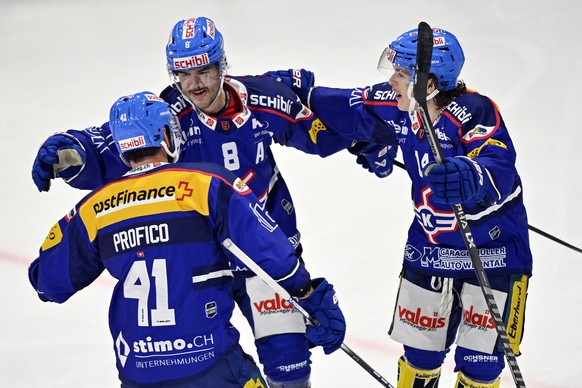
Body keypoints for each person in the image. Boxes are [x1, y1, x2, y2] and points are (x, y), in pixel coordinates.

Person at [30, 17, 395, 388]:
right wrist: (72, 150)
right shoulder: (167, 112)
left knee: (290, 364)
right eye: (183, 75)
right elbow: (122, 140)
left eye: (204, 70)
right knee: (195, 356)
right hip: (200, 260)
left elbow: (323, 119)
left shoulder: (264, 99)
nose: (195, 84)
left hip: (262, 252)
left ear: (222, 64)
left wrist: (365, 133)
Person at [28, 91, 346, 388]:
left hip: (138, 374)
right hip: (211, 364)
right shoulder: (208, 185)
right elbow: (271, 252)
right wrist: (307, 292)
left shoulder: (94, 208)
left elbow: (48, 283)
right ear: (166, 135)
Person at [275, 27, 532, 387]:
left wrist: (472, 176)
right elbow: (352, 104)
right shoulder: (401, 106)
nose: (391, 81)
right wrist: (295, 91)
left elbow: (499, 162)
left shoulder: (475, 110)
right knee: (420, 356)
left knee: (481, 363)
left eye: (400, 74)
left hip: (494, 252)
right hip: (430, 249)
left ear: (428, 84)